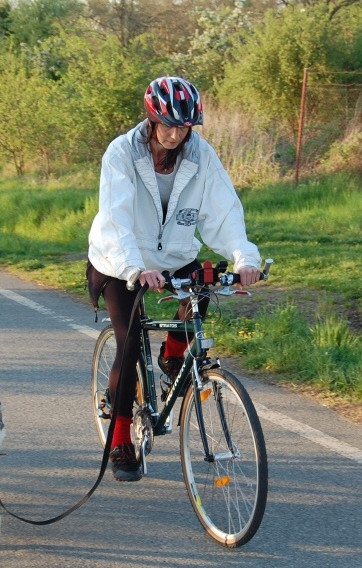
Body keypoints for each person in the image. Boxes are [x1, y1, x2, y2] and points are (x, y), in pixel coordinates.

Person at [87, 75, 261, 483]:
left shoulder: (202, 157)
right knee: (129, 344)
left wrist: (244, 256)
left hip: (175, 256)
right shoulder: (121, 154)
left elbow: (223, 212)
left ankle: (173, 355)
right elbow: (116, 218)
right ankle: (119, 438)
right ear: (150, 119)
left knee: (199, 295)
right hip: (118, 261)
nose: (173, 133)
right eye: (166, 124)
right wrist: (134, 267)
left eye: (182, 127)